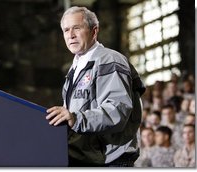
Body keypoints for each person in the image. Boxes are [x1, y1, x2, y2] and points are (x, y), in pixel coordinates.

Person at [45, 6, 145, 167]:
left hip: (112, 160)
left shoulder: (109, 60)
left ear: (94, 31)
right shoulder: (74, 69)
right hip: (88, 159)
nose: (70, 35)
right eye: (66, 30)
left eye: (77, 28)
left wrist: (76, 119)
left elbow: (117, 110)